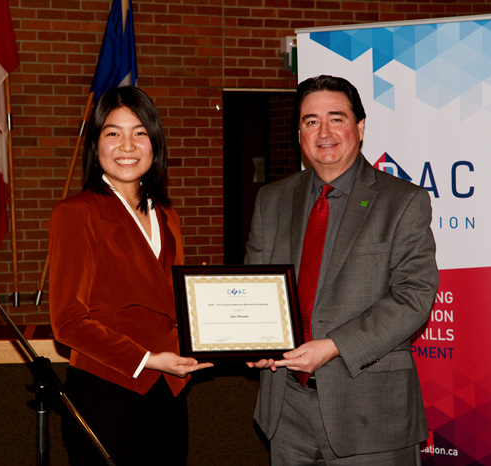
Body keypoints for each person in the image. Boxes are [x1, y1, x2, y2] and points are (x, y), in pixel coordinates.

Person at [245, 75, 439, 465]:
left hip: (370, 413)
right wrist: (255, 341)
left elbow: (414, 296)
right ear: (299, 133)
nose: (324, 133)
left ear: (360, 127)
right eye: (311, 121)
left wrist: (333, 346)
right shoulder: (272, 199)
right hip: (287, 409)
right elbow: (256, 287)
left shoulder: (402, 201)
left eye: (336, 119)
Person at [48, 86, 212, 466]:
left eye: (139, 133)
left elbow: (172, 306)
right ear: (96, 145)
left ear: (155, 143)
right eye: (113, 133)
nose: (127, 146)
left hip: (169, 390)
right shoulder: (76, 214)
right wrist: (147, 359)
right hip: (108, 391)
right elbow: (68, 322)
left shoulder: (168, 215)